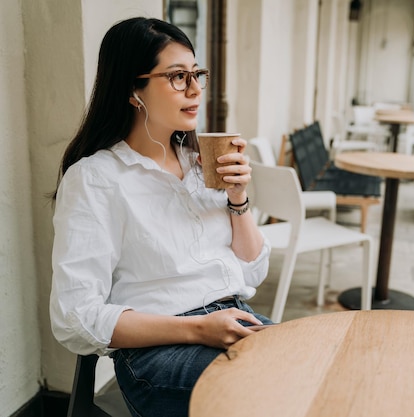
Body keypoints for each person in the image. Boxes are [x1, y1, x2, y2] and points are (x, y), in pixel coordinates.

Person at [49, 17, 272, 417]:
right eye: (177, 76)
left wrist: (238, 198)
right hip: (159, 350)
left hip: (234, 318)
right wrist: (198, 329)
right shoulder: (97, 178)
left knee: (326, 367)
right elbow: (74, 316)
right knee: (275, 391)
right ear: (134, 89)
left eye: (197, 74)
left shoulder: (201, 162)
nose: (195, 89)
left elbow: (252, 271)